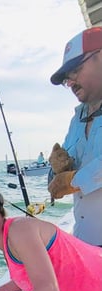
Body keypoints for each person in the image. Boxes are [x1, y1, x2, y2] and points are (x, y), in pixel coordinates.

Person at [48, 26, 102, 247]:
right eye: (66, 78)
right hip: (86, 245)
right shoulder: (76, 119)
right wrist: (55, 170)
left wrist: (71, 181)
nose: (70, 82)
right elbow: (58, 177)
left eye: (75, 70)